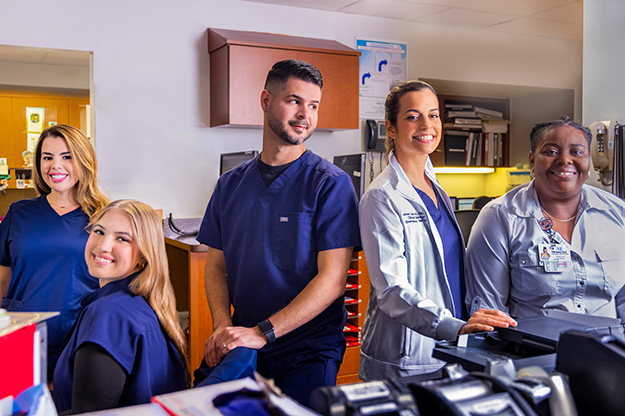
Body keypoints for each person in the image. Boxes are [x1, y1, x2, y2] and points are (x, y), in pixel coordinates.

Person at [197, 59, 360, 404]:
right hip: (246, 340)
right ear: (266, 101)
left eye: (313, 105)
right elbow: (215, 266)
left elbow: (332, 281)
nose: (305, 114)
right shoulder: (229, 186)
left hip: (307, 348)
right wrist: (224, 328)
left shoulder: (330, 185)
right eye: (295, 101)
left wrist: (262, 332)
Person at [358, 80, 517, 381]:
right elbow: (391, 290)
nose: (426, 125)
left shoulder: (435, 187)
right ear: (390, 128)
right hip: (407, 357)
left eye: (433, 115)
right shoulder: (382, 196)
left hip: (448, 348)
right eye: (412, 116)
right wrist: (451, 326)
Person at [465, 117, 625, 320]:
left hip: (607, 347)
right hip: (534, 349)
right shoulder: (499, 216)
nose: (565, 160)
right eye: (551, 152)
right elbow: (489, 311)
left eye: (576, 152)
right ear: (532, 160)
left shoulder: (617, 213)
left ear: (588, 161)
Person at [53, 200, 188, 413]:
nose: (103, 246)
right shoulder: (144, 305)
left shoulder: (107, 315)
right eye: (99, 231)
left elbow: (90, 413)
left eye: (122, 239)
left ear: (144, 256)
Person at [0, 124, 109, 376]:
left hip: (80, 335)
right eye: (47, 157)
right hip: (21, 333)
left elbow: (114, 284)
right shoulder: (19, 213)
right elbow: (3, 278)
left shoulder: (103, 217)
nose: (55, 166)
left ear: (84, 161)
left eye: (67, 157)